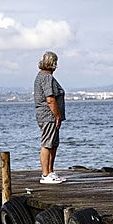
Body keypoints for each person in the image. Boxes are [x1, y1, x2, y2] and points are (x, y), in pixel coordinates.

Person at [34, 51, 66, 184]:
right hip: (49, 115)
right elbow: (50, 99)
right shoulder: (47, 78)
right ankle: (45, 174)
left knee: (53, 144)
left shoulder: (41, 76)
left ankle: (50, 172)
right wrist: (57, 116)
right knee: (47, 143)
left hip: (48, 116)